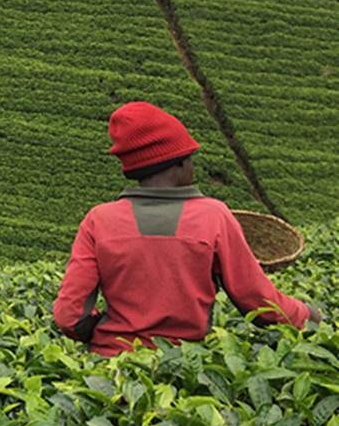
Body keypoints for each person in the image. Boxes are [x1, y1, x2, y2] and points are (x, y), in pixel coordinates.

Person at [54, 101, 321, 356]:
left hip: (106, 370)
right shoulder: (213, 216)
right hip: (182, 368)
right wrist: (307, 314)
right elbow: (259, 303)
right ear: (180, 162)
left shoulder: (98, 220)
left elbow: (69, 315)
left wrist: (107, 333)